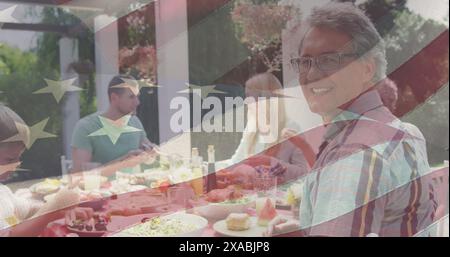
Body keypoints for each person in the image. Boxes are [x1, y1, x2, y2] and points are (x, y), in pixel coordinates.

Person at [266, 2, 435, 237]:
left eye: (329, 60)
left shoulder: (354, 154)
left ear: (367, 69)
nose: (312, 75)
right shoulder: (405, 131)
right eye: (305, 62)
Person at [217, 73, 312, 188]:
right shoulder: (252, 127)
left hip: (280, 200)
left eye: (253, 97)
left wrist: (270, 161)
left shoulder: (291, 128)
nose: (247, 102)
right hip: (252, 197)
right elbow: (236, 162)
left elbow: (302, 174)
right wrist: (209, 169)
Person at [0, 104, 79, 236]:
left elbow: (28, 208)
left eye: (18, 158)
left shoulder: (3, 192)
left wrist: (62, 210)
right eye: (9, 159)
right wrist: (53, 206)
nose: (16, 165)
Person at [71, 75, 156, 176]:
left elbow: (148, 149)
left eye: (137, 96)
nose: (137, 102)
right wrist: (123, 163)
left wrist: (152, 152)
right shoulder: (86, 127)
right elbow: (79, 175)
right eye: (131, 97)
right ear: (114, 98)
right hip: (100, 191)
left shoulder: (135, 122)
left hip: (134, 188)